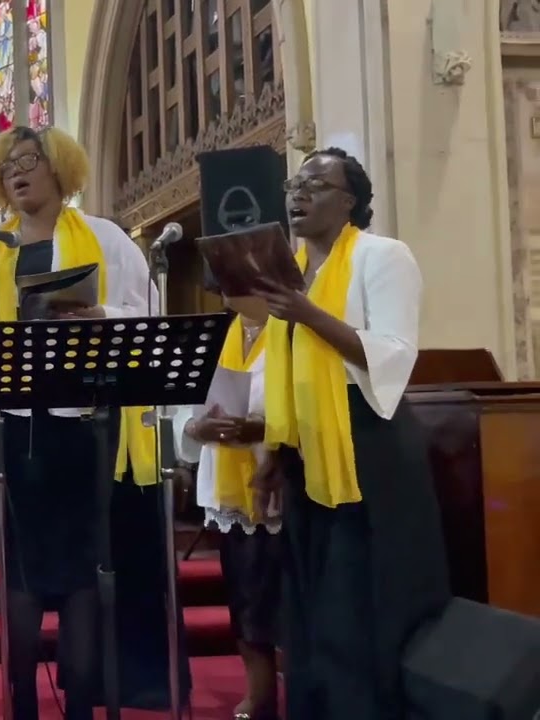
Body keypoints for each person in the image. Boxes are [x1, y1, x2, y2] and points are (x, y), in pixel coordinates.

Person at [0, 125, 185, 718]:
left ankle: (81, 702)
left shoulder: (105, 238)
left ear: (59, 167)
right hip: (14, 429)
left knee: (85, 570)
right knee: (22, 570)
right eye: (7, 167)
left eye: (29, 161)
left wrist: (98, 314)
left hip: (86, 426)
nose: (17, 173)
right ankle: (23, 701)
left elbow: (151, 313)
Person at [252, 147, 450, 720]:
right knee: (309, 614)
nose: (298, 193)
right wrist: (274, 451)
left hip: (367, 448)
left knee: (355, 608)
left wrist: (307, 313)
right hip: (308, 452)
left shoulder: (381, 256)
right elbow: (288, 370)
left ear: (350, 201)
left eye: (315, 185)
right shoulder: (290, 271)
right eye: (294, 184)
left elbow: (393, 354)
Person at [174, 296, 280, 720]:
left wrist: (262, 428)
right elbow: (181, 408)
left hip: (283, 477)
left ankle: (304, 686)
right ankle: (260, 693)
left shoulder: (294, 330)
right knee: (245, 593)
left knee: (286, 595)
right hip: (229, 485)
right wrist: (196, 427)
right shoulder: (214, 338)